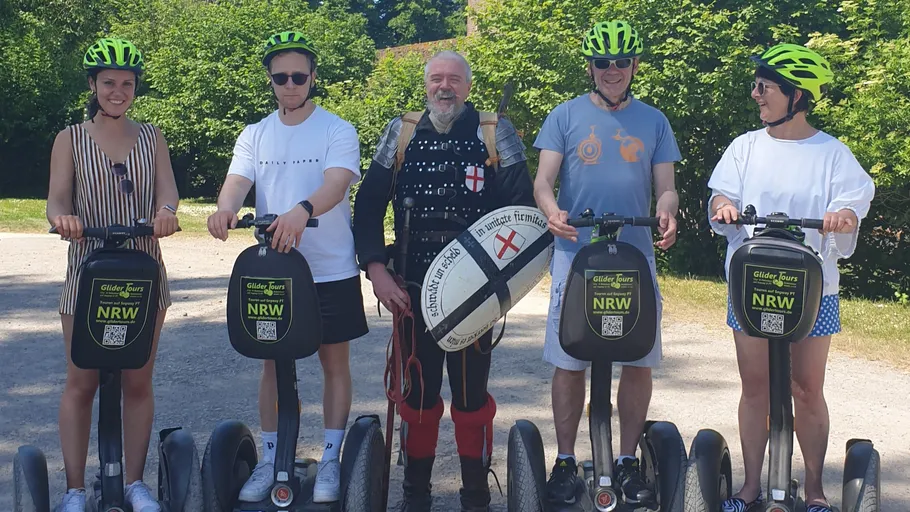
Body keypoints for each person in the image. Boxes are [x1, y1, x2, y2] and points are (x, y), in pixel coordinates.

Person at [352, 50, 535, 511]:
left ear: (468, 86)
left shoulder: (496, 133)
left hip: (477, 293)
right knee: (417, 392)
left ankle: (475, 493)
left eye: (454, 79)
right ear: (426, 84)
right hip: (411, 288)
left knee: (472, 395)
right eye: (436, 79)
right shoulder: (402, 131)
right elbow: (369, 205)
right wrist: (377, 271)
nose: (444, 86)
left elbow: (523, 214)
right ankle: (417, 493)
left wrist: (502, 289)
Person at [707, 43, 875, 512]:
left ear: (796, 96)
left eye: (765, 87)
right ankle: (750, 486)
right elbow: (722, 195)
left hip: (812, 288)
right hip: (751, 284)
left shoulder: (833, 154)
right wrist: (723, 207)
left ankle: (816, 488)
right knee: (755, 386)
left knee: (806, 388)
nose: (756, 94)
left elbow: (852, 201)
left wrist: (842, 215)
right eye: (757, 85)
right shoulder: (744, 147)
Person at [206, 30, 369, 504]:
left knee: (333, 363)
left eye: (300, 75)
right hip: (275, 270)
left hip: (329, 267)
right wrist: (224, 208)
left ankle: (332, 458)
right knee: (273, 367)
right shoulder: (255, 133)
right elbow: (237, 181)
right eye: (282, 77)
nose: (291, 84)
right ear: (271, 81)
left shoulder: (337, 129)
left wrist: (302, 210)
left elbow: (337, 185)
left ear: (313, 77)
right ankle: (273, 457)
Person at [532, 20, 681, 507]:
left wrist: (667, 209)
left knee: (637, 359)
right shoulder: (565, 116)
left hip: (635, 252)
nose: (612, 70)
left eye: (621, 62)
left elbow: (667, 185)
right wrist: (551, 210)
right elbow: (543, 180)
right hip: (576, 251)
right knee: (569, 359)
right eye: (603, 62)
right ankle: (567, 460)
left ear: (634, 66)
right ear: (591, 67)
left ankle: (626, 459)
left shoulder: (654, 120)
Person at [46, 37, 181, 512]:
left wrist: (165, 212)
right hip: (87, 268)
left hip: (143, 270)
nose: (118, 91)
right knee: (81, 379)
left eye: (127, 83)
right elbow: (57, 198)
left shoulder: (152, 137)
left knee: (137, 380)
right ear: (93, 85)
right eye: (109, 82)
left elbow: (168, 193)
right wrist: (63, 218)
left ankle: (134, 483)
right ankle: (75, 490)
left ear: (135, 88)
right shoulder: (71, 138)